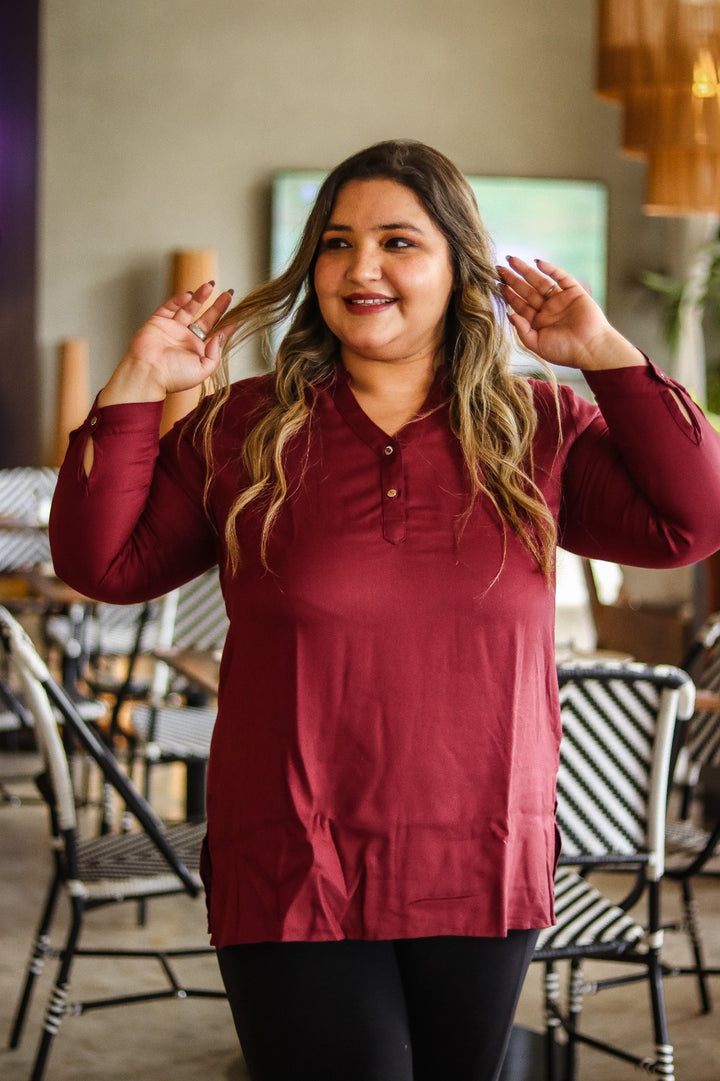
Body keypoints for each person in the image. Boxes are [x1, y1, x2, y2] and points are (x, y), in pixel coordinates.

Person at [49, 139, 720, 1081]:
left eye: (399, 241)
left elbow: (693, 522)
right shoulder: (246, 425)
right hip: (292, 854)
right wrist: (134, 383)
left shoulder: (540, 428)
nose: (360, 267)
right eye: (335, 242)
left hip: (482, 854)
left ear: (457, 268)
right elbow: (102, 563)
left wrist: (603, 355)